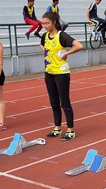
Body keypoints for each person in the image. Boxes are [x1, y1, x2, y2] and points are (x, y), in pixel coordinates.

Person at [40, 12, 83, 140]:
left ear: (54, 22)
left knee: (64, 102)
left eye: (47, 23)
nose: (44, 26)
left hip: (61, 74)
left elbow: (79, 45)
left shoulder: (61, 36)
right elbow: (41, 44)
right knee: (54, 102)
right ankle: (57, 128)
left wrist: (66, 54)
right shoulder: (45, 36)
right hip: (49, 73)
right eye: (43, 23)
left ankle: (70, 130)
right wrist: (46, 52)